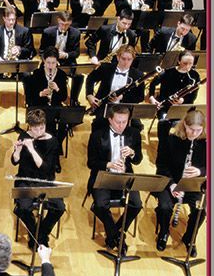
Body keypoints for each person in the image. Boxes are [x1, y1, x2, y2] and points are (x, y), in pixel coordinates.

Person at [87, 104, 143, 252]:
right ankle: (118, 237)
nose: (121, 126)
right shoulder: (97, 135)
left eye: (125, 122)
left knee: (136, 204)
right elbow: (91, 163)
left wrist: (132, 153)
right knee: (100, 205)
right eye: (118, 122)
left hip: (125, 176)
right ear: (110, 120)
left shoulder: (134, 134)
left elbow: (138, 160)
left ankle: (115, 233)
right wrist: (109, 164)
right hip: (103, 175)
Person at [155, 108, 206, 255]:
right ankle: (164, 232)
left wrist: (200, 172)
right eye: (191, 129)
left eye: (198, 130)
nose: (194, 133)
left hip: (193, 184)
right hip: (170, 182)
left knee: (201, 210)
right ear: (184, 125)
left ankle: (190, 238)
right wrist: (172, 184)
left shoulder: (207, 143)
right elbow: (161, 165)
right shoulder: (171, 140)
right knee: (164, 207)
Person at [12, 108, 64, 247]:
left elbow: (46, 169)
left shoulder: (53, 141)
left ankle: (41, 233)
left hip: (45, 181)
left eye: (42, 128)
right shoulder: (23, 136)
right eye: (35, 129)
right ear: (29, 127)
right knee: (23, 208)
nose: (39, 132)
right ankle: (36, 235)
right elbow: (15, 161)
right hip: (25, 180)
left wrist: (32, 149)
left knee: (59, 207)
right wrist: (17, 151)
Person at [24, 47, 68, 171]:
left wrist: (58, 89)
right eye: (48, 62)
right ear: (44, 61)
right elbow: (30, 97)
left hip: (55, 107)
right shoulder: (37, 74)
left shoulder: (61, 75)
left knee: (64, 127)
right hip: (40, 107)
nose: (50, 66)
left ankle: (55, 150)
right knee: (49, 127)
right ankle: (46, 154)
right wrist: (40, 94)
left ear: (57, 62)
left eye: (53, 63)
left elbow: (64, 97)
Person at [85, 45, 145, 116]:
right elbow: (90, 79)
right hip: (104, 107)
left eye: (129, 59)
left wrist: (122, 97)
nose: (126, 62)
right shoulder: (106, 68)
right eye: (123, 59)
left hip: (126, 109)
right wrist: (89, 95)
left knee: (137, 123)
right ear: (118, 57)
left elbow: (140, 97)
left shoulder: (138, 75)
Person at [39, 11, 82, 105]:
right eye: (62, 24)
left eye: (67, 25)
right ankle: (42, 97)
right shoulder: (47, 32)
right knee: (39, 72)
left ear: (70, 22)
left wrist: (66, 55)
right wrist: (48, 61)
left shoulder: (76, 33)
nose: (64, 27)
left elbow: (76, 52)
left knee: (79, 76)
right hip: (50, 61)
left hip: (67, 61)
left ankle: (73, 100)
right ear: (58, 20)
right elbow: (42, 51)